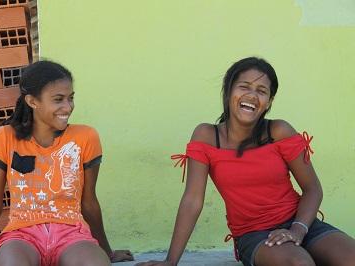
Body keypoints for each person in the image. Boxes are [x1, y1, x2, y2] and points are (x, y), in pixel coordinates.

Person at [136, 57, 355, 266]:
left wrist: (298, 230)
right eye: (244, 86)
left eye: (261, 91)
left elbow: (312, 188)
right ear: (229, 90)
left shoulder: (279, 131)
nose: (252, 95)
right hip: (254, 234)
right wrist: (171, 260)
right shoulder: (206, 136)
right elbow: (192, 200)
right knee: (299, 262)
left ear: (268, 102)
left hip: (302, 223)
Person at [0, 61, 133, 266]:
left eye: (71, 98)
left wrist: (107, 252)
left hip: (72, 234)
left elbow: (89, 202)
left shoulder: (86, 137)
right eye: (58, 100)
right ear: (32, 101)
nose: (68, 107)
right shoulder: (6, 137)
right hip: (21, 236)